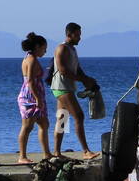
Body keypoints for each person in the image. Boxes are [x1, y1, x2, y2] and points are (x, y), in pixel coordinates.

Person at [51, 22, 100, 159]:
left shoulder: (72, 50)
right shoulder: (61, 48)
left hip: (67, 88)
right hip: (61, 87)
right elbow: (63, 70)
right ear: (69, 35)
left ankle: (56, 152)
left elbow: (76, 68)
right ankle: (86, 151)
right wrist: (81, 79)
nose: (80, 38)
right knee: (79, 116)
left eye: (80, 35)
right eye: (77, 35)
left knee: (62, 119)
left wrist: (87, 79)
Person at [16, 33, 52, 164]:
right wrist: (38, 98)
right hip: (30, 97)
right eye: (44, 48)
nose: (45, 51)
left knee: (44, 123)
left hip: (36, 95)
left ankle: (47, 154)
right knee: (27, 126)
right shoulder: (31, 60)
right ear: (37, 47)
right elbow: (30, 81)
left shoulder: (31, 58)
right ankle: (22, 156)